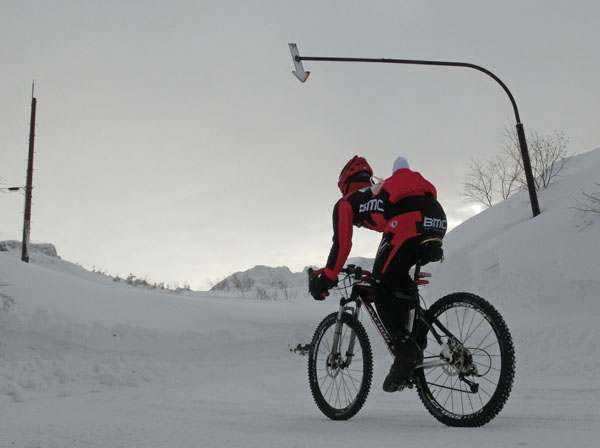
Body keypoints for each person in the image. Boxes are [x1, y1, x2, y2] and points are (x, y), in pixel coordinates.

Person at [309, 155, 446, 392]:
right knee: (395, 281)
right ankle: (415, 341)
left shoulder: (346, 203)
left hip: (407, 220)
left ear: (344, 185)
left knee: (380, 284)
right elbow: (391, 236)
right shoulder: (379, 192)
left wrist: (326, 278)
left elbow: (342, 244)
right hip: (437, 217)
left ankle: (405, 353)